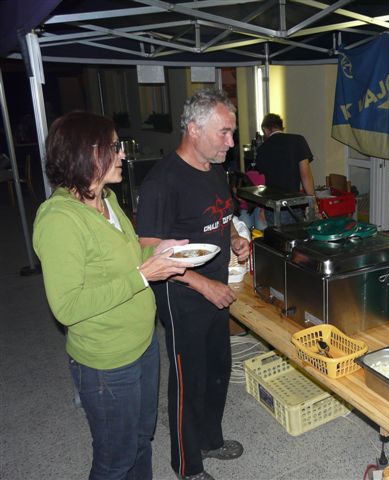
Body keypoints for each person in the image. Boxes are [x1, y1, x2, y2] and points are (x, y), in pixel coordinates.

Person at [32, 111, 190, 480]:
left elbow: (127, 258)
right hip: (106, 363)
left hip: (142, 345)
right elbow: (67, 306)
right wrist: (143, 275)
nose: (122, 154)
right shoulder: (59, 220)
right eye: (114, 147)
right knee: (115, 460)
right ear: (86, 152)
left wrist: (157, 252)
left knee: (141, 440)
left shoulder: (108, 200)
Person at [135, 89, 250, 480]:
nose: (231, 143)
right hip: (182, 293)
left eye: (232, 133)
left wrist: (234, 236)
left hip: (217, 287)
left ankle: (209, 440)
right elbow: (150, 252)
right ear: (194, 129)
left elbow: (221, 216)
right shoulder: (162, 182)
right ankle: (187, 466)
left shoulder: (214, 168)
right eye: (224, 132)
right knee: (188, 379)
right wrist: (203, 285)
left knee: (218, 368)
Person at [255, 113, 316, 225]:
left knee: (275, 236)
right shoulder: (298, 140)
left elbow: (262, 182)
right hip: (291, 205)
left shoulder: (262, 149)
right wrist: (313, 202)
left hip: (271, 207)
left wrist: (263, 208)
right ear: (281, 126)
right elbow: (305, 175)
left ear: (265, 129)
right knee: (295, 235)